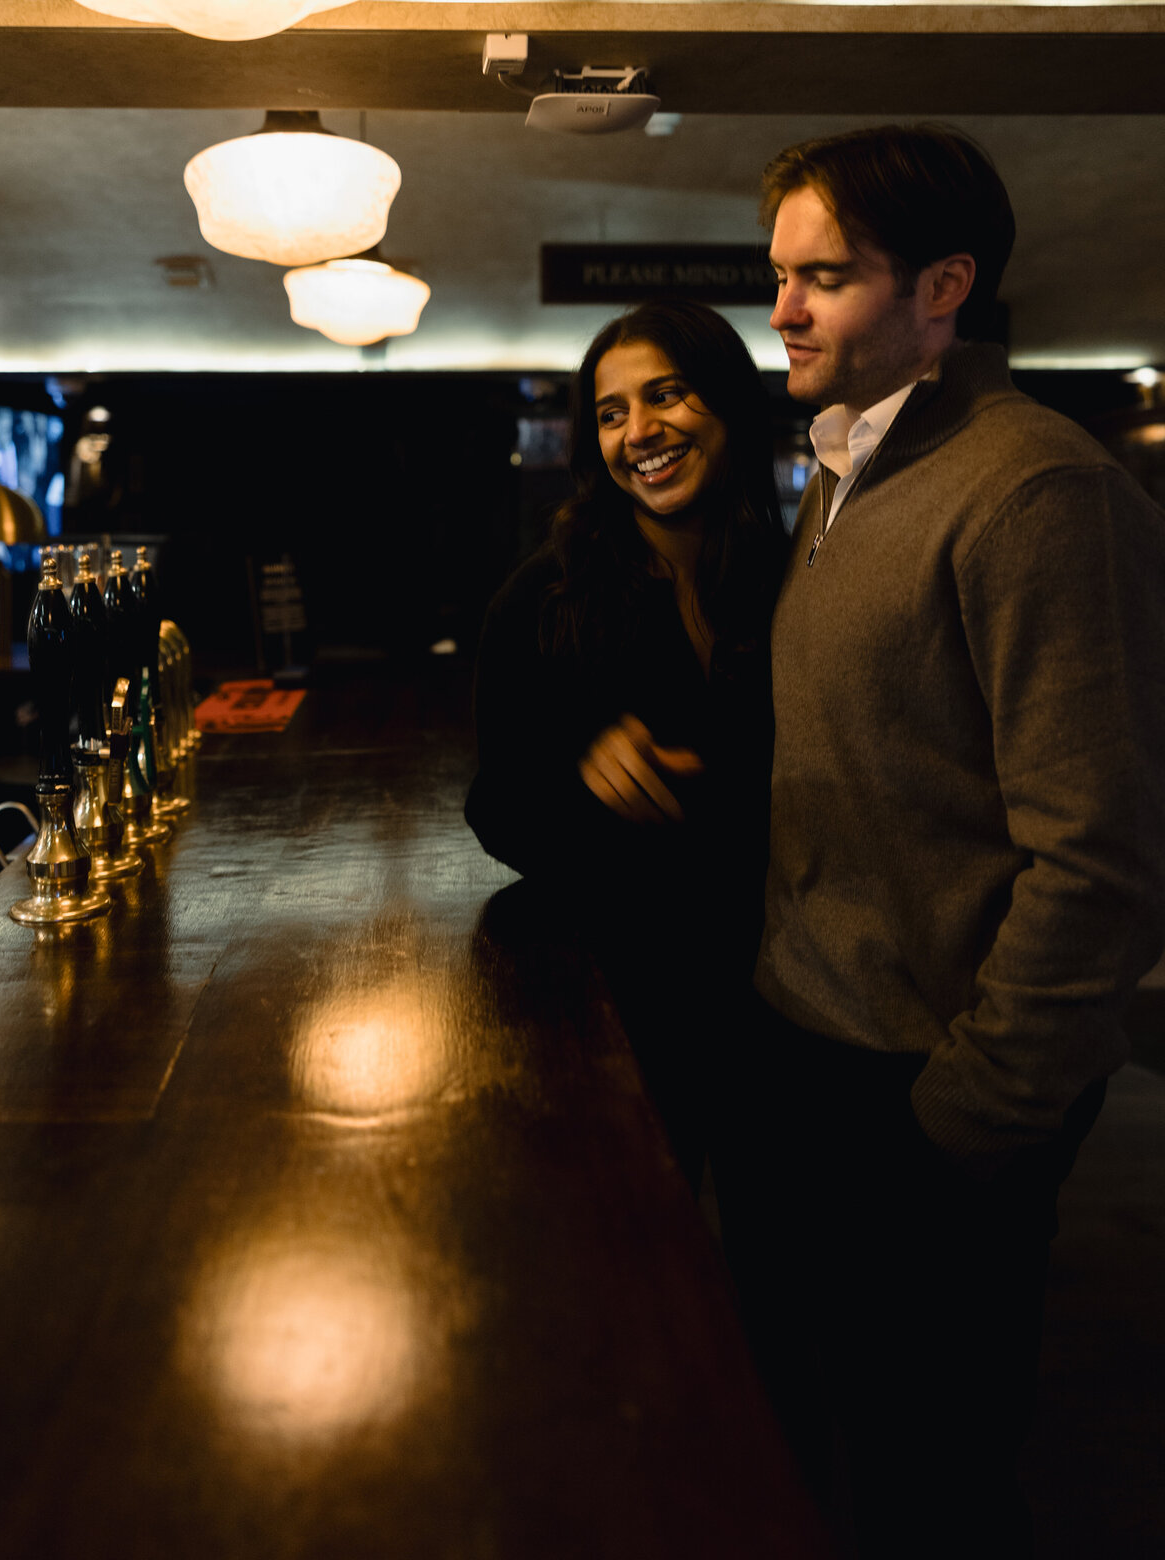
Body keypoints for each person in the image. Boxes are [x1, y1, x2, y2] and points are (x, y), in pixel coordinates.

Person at [733, 122, 1165, 1557]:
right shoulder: (848, 465)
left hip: (935, 1086)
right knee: (832, 1444)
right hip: (819, 1045)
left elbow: (1102, 854)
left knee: (937, 1479)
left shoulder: (1032, 489)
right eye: (779, 273)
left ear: (943, 288)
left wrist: (973, 1114)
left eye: (825, 277)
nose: (781, 309)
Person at [465, 300, 788, 1185]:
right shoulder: (541, 600)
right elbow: (496, 809)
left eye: (667, 397)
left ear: (728, 405)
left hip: (787, 996)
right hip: (623, 1005)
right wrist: (583, 785)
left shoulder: (789, 576)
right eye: (611, 413)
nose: (638, 432)